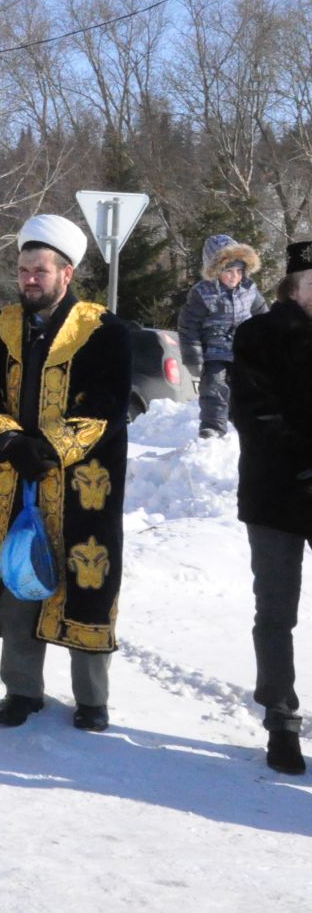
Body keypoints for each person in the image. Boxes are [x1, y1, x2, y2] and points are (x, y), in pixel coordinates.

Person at [0, 214, 131, 733]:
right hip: (14, 479)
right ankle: (21, 689)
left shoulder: (103, 330)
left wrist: (53, 447)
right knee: (18, 579)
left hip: (84, 486)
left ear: (67, 272)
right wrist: (10, 440)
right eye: (23, 269)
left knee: (88, 584)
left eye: (40, 270)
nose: (30, 279)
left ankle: (92, 698)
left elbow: (107, 405)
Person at [228, 239, 312, 775]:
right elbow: (254, 414)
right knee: (276, 611)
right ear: (295, 286)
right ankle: (280, 719)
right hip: (276, 496)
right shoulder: (258, 335)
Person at [179, 234, 266, 440]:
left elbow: (262, 315)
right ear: (216, 270)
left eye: (239, 271)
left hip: (242, 349)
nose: (234, 276)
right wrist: (193, 356)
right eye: (228, 271)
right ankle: (213, 428)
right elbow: (188, 325)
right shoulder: (202, 293)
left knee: (247, 386)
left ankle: (244, 423)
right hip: (214, 350)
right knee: (214, 388)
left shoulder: (249, 289)